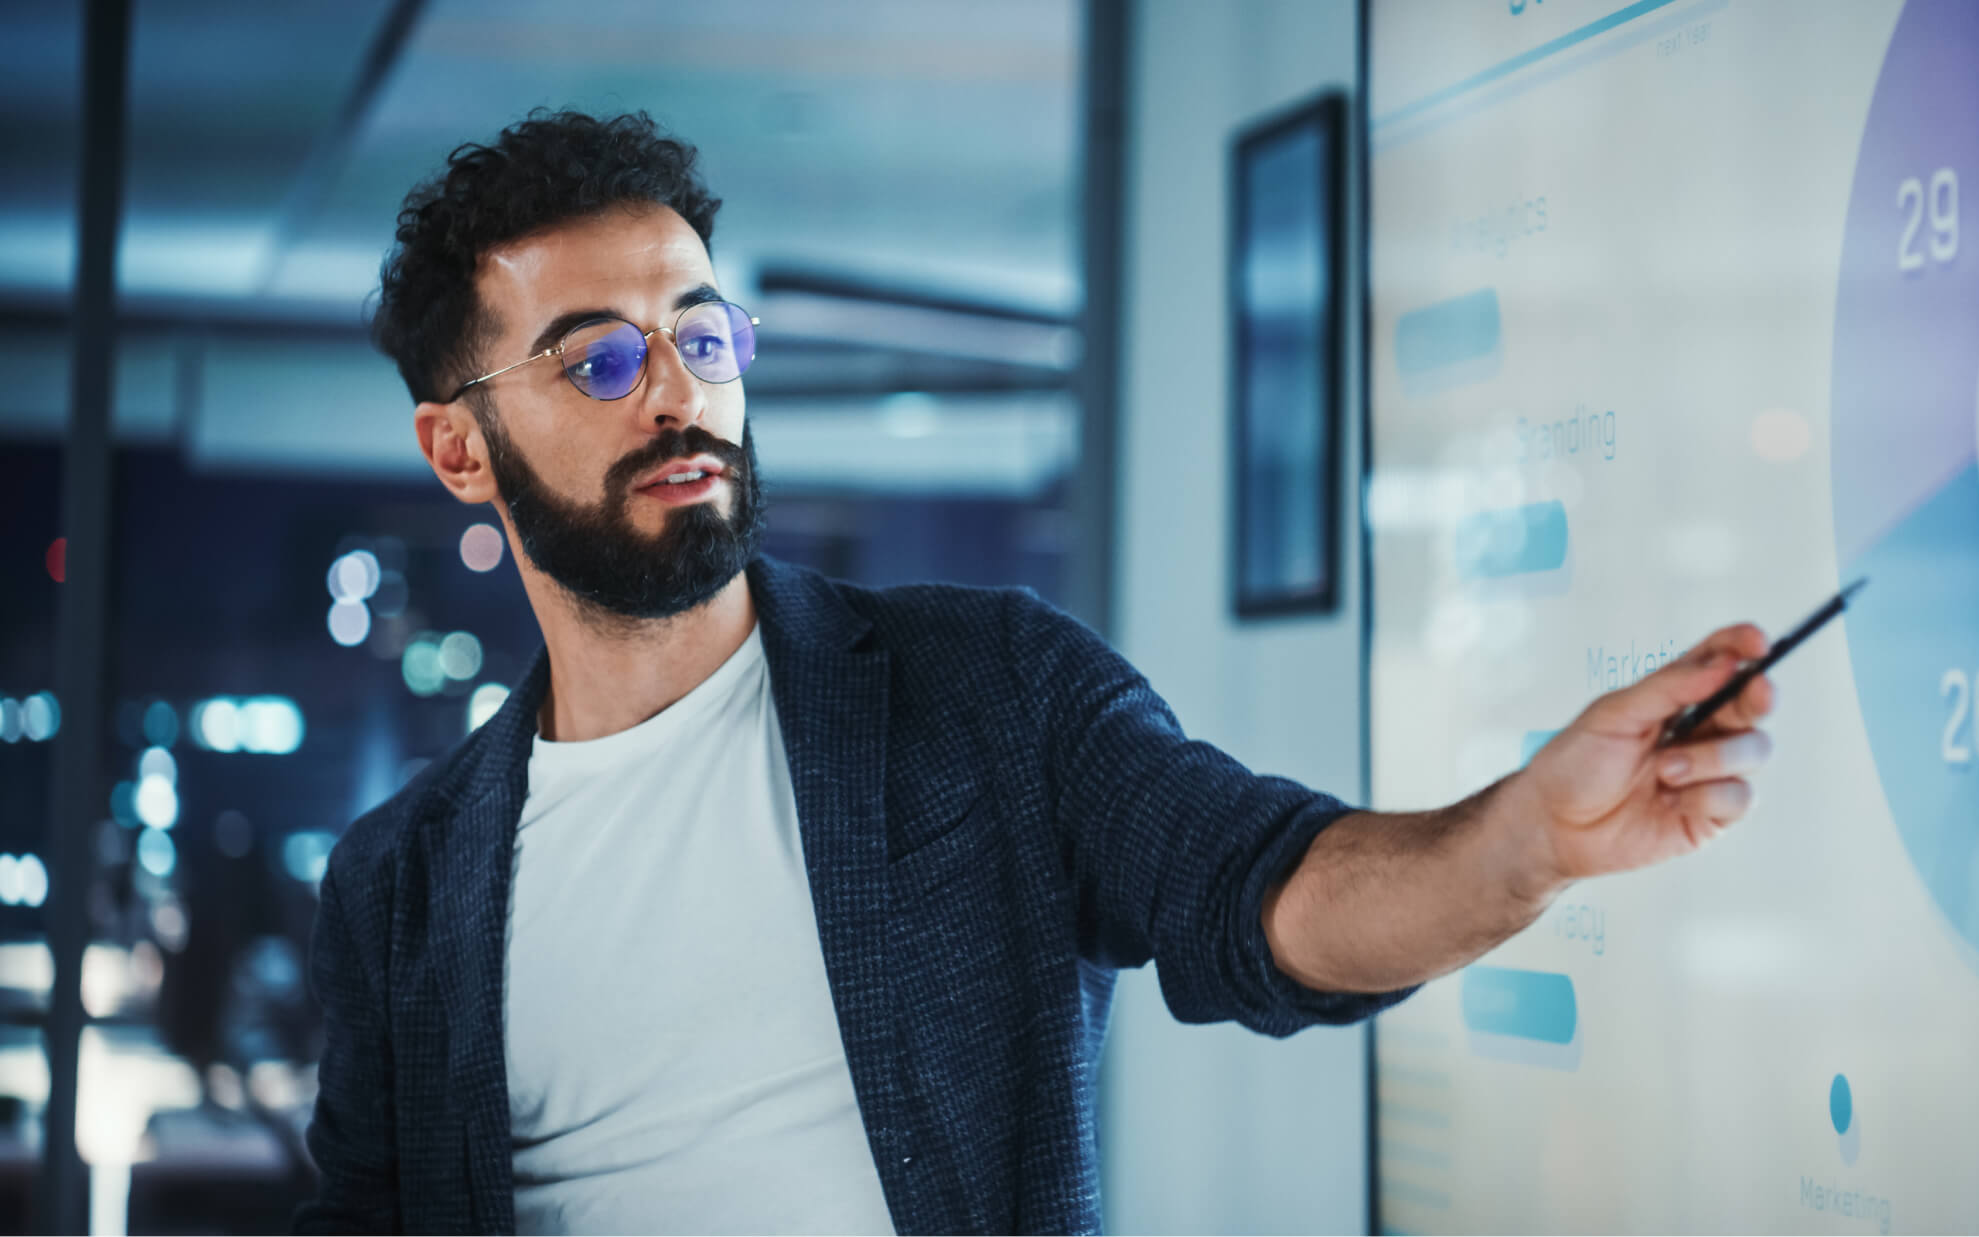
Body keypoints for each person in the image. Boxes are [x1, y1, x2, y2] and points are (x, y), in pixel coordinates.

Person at [296, 110, 1777, 1236]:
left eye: (700, 332)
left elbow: (1260, 889)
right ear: (459, 446)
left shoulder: (982, 691)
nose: (681, 389)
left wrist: (1518, 842)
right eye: (599, 361)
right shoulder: (403, 886)